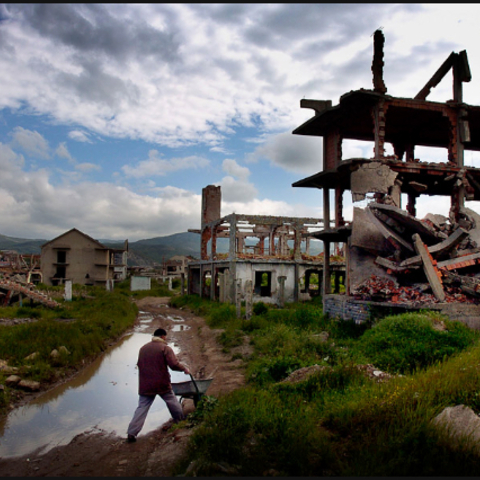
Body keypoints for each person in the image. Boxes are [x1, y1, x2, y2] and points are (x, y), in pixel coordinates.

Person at [126, 328, 190, 443]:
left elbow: (140, 364)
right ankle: (180, 421)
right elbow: (173, 364)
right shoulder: (165, 348)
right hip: (161, 383)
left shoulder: (143, 348)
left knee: (142, 407)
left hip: (145, 384)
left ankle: (131, 433)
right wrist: (184, 369)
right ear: (163, 336)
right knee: (172, 401)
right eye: (165, 337)